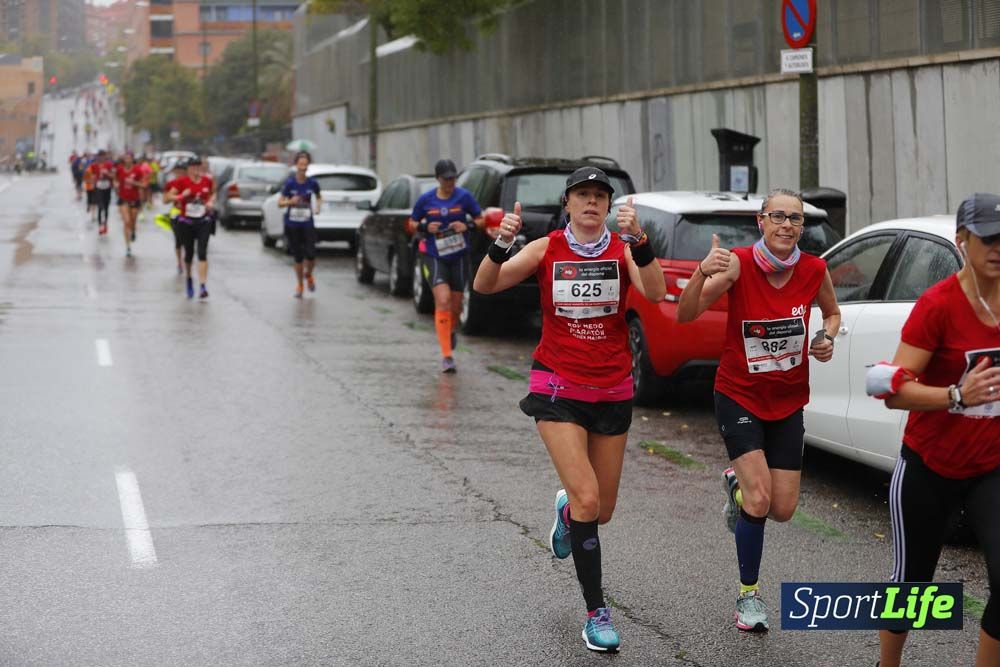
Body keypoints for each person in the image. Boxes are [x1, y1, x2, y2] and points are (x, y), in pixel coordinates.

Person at [473, 167, 666, 652]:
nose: (592, 202)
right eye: (583, 194)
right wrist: (502, 242)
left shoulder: (621, 249)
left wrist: (639, 238)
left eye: (600, 196)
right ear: (568, 203)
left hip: (613, 388)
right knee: (587, 499)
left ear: (608, 205)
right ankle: (596, 612)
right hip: (557, 385)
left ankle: (565, 511)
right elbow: (485, 285)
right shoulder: (546, 248)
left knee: (600, 510)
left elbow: (657, 292)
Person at [676, 188, 841, 632]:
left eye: (795, 218)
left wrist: (826, 338)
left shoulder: (814, 268)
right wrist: (699, 274)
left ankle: (736, 488)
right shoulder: (738, 266)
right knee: (761, 499)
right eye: (778, 216)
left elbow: (832, 314)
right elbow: (686, 315)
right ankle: (748, 597)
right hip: (739, 395)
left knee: (783, 509)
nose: (788, 225)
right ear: (761, 222)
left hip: (788, 400)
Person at [869, 193, 1000, 667]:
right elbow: (895, 390)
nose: (998, 247)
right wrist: (957, 395)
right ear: (963, 241)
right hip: (929, 466)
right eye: (988, 238)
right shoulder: (938, 304)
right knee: (913, 585)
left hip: (991, 468)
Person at [408, 159, 484, 372]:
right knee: (443, 300)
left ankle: (449, 331)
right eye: (446, 178)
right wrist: (424, 225)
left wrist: (466, 224)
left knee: (455, 306)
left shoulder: (464, 197)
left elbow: (481, 220)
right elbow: (411, 223)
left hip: (459, 256)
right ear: (438, 179)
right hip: (434, 256)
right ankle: (447, 356)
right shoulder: (426, 200)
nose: (450, 182)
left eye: (453, 178)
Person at [164, 156, 215, 299]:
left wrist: (210, 202)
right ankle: (189, 278)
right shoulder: (181, 182)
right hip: (186, 222)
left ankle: (203, 285)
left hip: (203, 221)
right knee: (189, 254)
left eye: (198, 167)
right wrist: (181, 196)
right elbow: (167, 198)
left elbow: (212, 194)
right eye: (193, 168)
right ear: (188, 169)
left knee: (202, 252)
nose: (196, 170)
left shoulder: (207, 181)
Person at [277, 151, 322, 298]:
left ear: (308, 165)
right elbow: (280, 203)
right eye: (300, 164)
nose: (303, 167)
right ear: (296, 165)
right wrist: (290, 201)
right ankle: (300, 285)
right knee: (298, 257)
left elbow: (319, 197)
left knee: (311, 254)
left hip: (307, 223)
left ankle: (308, 275)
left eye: (305, 164)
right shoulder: (290, 183)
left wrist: (318, 207)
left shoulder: (312, 183)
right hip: (292, 224)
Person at [114, 152, 146, 257]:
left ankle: (133, 231)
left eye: (129, 158)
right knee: (126, 221)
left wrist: (134, 183)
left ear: (132, 159)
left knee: (132, 221)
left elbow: (144, 184)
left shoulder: (137, 170)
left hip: (134, 199)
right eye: (126, 158)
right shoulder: (119, 169)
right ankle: (128, 247)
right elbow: (115, 179)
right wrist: (116, 185)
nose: (127, 160)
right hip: (123, 199)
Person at [161, 159, 189, 274]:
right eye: (178, 171)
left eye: (183, 171)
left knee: (189, 240)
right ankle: (179, 262)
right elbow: (164, 200)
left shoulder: (191, 182)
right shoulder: (170, 184)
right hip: (176, 214)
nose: (180, 173)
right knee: (179, 240)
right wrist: (177, 197)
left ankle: (188, 259)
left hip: (191, 214)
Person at [89, 150, 115, 234]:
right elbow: (92, 176)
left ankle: (105, 224)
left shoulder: (109, 164)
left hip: (107, 186)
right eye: (100, 156)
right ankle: (100, 225)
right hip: (98, 187)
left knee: (106, 207)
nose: (101, 158)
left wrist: (107, 173)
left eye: (103, 156)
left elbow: (113, 175)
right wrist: (93, 183)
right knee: (100, 207)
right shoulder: (94, 165)